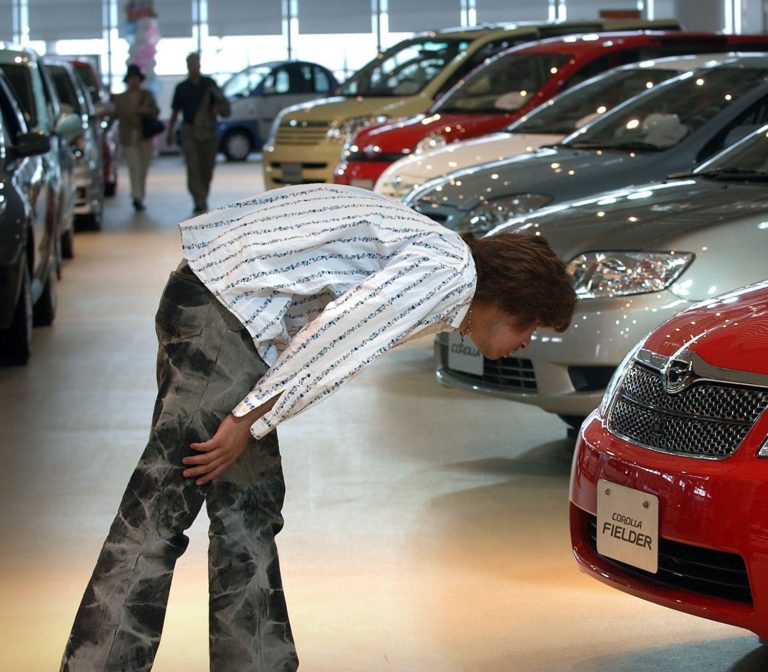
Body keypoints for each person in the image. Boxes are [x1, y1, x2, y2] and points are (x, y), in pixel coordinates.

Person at [60, 183, 577, 671]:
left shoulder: (439, 255)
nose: (527, 341)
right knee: (159, 510)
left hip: (216, 303)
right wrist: (247, 416)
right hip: (225, 315)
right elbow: (340, 336)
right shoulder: (448, 274)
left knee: (247, 513)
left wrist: (255, 409)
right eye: (531, 326)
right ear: (511, 299)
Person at [166, 52, 230, 215]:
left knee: (206, 168)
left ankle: (203, 195)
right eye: (190, 64)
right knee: (193, 167)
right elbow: (175, 111)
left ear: (200, 65)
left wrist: (216, 109)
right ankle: (199, 200)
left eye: (195, 63)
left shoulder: (209, 84)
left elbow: (224, 107)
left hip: (208, 131)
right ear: (187, 65)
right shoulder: (181, 88)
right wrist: (170, 131)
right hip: (189, 131)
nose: (193, 67)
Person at [112, 64, 160, 212]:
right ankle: (136, 197)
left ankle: (140, 195)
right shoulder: (119, 99)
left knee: (143, 168)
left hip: (144, 136)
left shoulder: (147, 96)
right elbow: (114, 115)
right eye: (131, 79)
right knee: (134, 167)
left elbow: (156, 111)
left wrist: (146, 111)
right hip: (128, 136)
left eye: (136, 79)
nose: (134, 82)